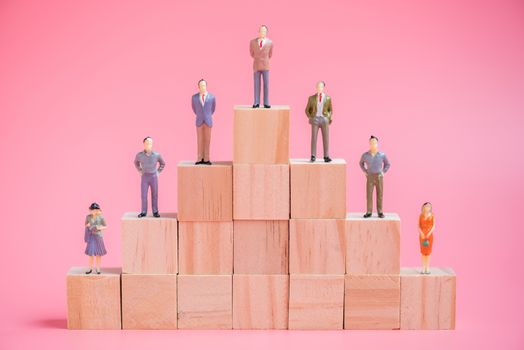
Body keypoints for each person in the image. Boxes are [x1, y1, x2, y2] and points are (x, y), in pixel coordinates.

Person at [359, 135, 391, 218]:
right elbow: (361, 163)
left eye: (375, 142)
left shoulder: (382, 155)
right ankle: (369, 211)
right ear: (369, 143)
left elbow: (387, 164)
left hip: (379, 176)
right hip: (370, 176)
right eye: (372, 142)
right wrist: (365, 171)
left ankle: (380, 211)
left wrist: (383, 172)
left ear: (377, 144)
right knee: (369, 194)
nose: (373, 144)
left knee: (379, 194)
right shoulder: (365, 155)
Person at [134, 136, 165, 218]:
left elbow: (163, 163)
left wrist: (158, 172)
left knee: (155, 194)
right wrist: (140, 170)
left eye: (150, 143)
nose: (149, 145)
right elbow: (135, 163)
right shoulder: (139, 155)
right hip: (145, 177)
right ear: (144, 144)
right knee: (143, 195)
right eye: (147, 143)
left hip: (153, 177)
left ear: (152, 144)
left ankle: (155, 211)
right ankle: (143, 211)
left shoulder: (157, 155)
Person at [305, 81, 333, 162]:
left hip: (324, 119)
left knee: (326, 138)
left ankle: (326, 156)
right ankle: (313, 155)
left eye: (320, 87)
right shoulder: (311, 98)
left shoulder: (328, 98)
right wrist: (311, 117)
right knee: (314, 138)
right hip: (315, 119)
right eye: (317, 86)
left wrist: (328, 117)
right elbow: (307, 110)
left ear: (323, 88)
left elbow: (330, 110)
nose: (319, 88)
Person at [191, 79, 216, 165]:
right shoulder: (194, 98)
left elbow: (213, 109)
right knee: (199, 140)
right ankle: (199, 158)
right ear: (198, 87)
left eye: (204, 85)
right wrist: (200, 115)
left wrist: (207, 115)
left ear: (206, 86)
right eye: (201, 86)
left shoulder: (212, 97)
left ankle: (206, 158)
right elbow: (194, 109)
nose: (203, 87)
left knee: (207, 140)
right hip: (199, 121)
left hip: (208, 121)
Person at [250, 24, 273, 108]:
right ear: (258, 31)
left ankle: (266, 102)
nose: (262, 32)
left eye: (264, 31)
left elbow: (270, 54)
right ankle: (256, 102)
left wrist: (264, 59)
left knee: (266, 84)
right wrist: (258, 58)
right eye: (261, 30)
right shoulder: (252, 42)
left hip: (266, 66)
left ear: (266, 32)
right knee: (256, 84)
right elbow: (251, 53)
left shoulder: (270, 42)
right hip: (256, 65)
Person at [84, 202, 107, 274]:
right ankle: (90, 268)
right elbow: (85, 224)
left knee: (98, 254)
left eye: (95, 209)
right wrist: (88, 225)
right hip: (91, 236)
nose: (94, 211)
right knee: (90, 254)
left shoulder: (101, 217)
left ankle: (98, 268)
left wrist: (99, 227)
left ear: (98, 210)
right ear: (90, 210)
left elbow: (105, 226)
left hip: (98, 236)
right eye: (92, 209)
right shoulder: (88, 217)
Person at [419, 202, 435, 274]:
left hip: (429, 236)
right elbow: (418, 226)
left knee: (428, 252)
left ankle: (427, 267)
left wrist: (429, 233)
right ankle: (423, 267)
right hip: (422, 235)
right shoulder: (421, 215)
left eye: (429, 206)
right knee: (423, 252)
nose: (428, 208)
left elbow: (434, 226)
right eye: (426, 206)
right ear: (423, 207)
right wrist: (421, 233)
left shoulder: (432, 216)